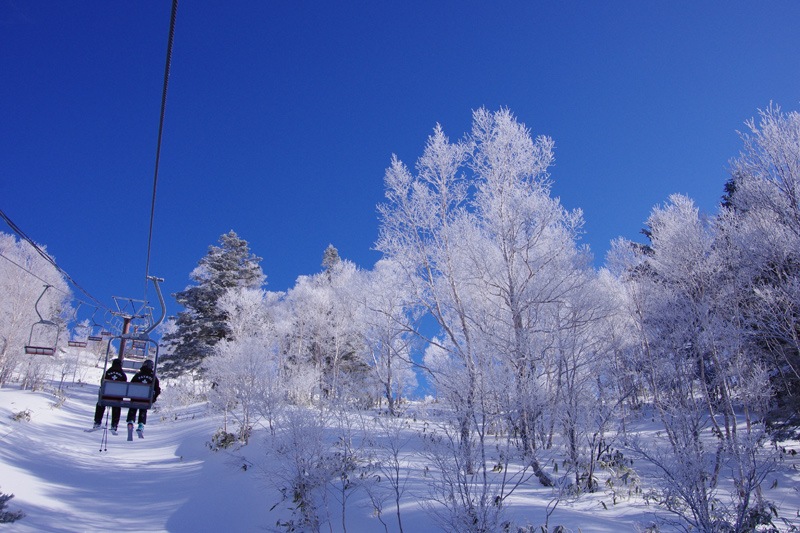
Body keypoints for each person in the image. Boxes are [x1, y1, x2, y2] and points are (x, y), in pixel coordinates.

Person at [126, 359, 161, 434]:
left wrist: (131, 396)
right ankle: (141, 425)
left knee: (133, 407)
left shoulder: (138, 375)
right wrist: (153, 399)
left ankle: (130, 421)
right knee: (143, 409)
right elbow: (157, 390)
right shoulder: (153, 377)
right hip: (146, 400)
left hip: (135, 398)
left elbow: (131, 386)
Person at [93, 358, 127, 432]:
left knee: (100, 404)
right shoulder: (122, 374)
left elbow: (102, 383)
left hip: (106, 396)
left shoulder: (107, 372)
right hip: (117, 398)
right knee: (117, 406)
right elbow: (124, 386)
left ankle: (97, 422)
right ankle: (114, 424)